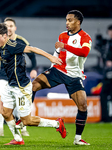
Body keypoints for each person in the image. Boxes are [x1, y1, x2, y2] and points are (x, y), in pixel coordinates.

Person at [0, 23, 66, 145]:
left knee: (27, 121)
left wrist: (51, 57)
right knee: (5, 113)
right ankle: (17, 139)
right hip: (10, 85)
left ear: (5, 35)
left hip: (21, 87)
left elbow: (32, 49)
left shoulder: (13, 45)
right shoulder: (3, 47)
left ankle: (57, 123)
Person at [32, 10, 92, 145]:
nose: (67, 23)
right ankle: (24, 117)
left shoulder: (85, 37)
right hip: (58, 70)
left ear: (78, 22)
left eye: (70, 20)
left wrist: (65, 46)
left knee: (82, 106)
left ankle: (77, 139)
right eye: (66, 20)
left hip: (74, 75)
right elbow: (57, 52)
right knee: (34, 85)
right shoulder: (62, 35)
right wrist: (53, 63)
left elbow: (84, 52)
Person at [0, 17, 37, 136]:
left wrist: (34, 69)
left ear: (14, 28)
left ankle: (23, 125)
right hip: (3, 76)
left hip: (17, 76)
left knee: (19, 103)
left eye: (10, 26)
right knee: (2, 101)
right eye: (6, 26)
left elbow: (32, 55)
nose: (8, 28)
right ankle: (0, 129)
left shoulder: (20, 41)